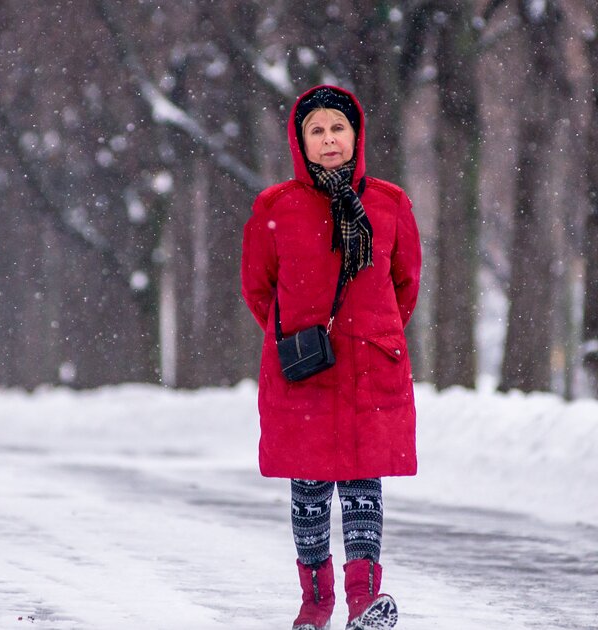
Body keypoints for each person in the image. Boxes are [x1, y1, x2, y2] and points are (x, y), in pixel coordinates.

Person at [240, 85, 421, 630]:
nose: (328, 140)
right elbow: (258, 290)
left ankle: (364, 603)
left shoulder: (389, 203)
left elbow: (405, 285)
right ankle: (314, 606)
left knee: (365, 487)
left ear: (355, 135)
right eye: (316, 130)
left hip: (370, 368)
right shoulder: (275, 208)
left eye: (337, 129)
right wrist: (298, 340)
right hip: (306, 372)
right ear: (301, 141)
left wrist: (371, 332)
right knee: (310, 492)